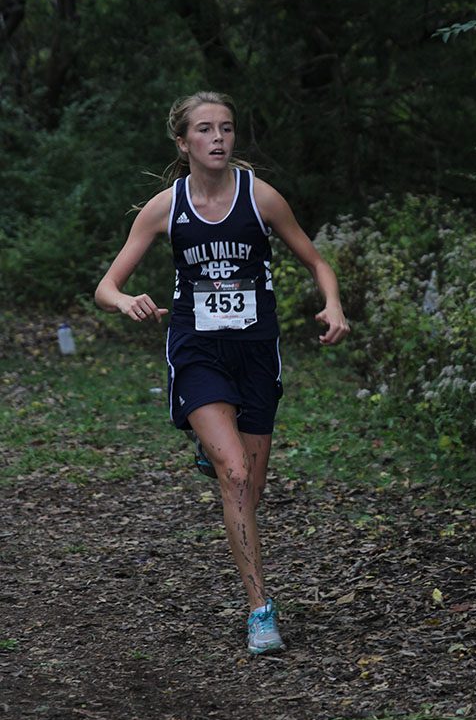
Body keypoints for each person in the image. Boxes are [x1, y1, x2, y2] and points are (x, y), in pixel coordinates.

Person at [95, 90, 350, 655]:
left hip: (257, 351)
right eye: (205, 130)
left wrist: (332, 303)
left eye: (227, 129)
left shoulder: (260, 198)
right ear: (183, 142)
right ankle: (261, 609)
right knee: (234, 474)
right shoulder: (166, 206)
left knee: (249, 490)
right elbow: (105, 286)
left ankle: (220, 455)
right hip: (196, 349)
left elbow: (316, 260)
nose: (218, 139)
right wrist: (125, 301)